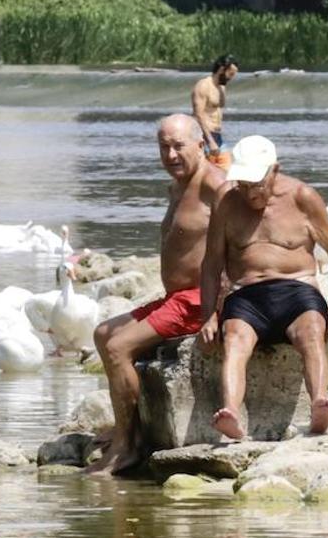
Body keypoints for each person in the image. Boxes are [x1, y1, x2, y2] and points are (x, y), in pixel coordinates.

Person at [86, 114, 230, 476]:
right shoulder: (177, 186)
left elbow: (240, 246)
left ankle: (126, 447)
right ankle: (127, 429)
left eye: (178, 145)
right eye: (163, 146)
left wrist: (218, 311)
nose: (170, 155)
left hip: (200, 300)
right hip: (176, 298)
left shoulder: (217, 186)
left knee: (119, 347)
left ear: (201, 144)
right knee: (104, 333)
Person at [197, 135, 328, 440]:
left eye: (256, 183)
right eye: (243, 183)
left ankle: (319, 404)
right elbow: (212, 262)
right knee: (235, 338)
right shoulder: (227, 201)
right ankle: (230, 413)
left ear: (275, 170)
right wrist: (207, 315)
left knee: (310, 331)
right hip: (246, 295)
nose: (249, 191)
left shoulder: (302, 197)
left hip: (297, 291)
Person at [191, 54, 239, 158]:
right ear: (222, 69)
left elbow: (219, 107)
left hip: (217, 135)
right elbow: (198, 115)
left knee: (227, 170)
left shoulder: (221, 87)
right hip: (204, 137)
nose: (231, 78)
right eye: (230, 74)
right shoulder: (203, 86)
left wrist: (222, 88)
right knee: (207, 173)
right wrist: (210, 142)